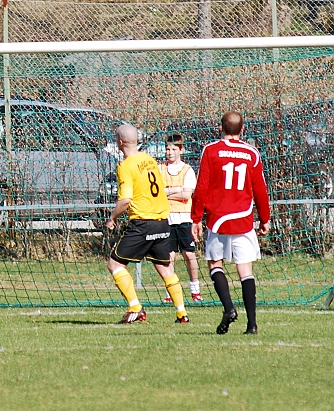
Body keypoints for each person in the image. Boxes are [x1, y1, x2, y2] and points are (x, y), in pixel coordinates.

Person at [191, 111, 270, 335]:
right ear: (242, 130)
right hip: (243, 218)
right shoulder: (251, 153)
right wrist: (265, 219)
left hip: (217, 219)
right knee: (245, 269)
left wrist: (196, 218)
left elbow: (202, 187)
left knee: (215, 264)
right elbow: (260, 190)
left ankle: (228, 309)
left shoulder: (211, 150)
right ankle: (252, 324)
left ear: (220, 128)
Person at [104, 124, 189, 324]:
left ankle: (135, 308)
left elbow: (125, 201)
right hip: (162, 223)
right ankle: (181, 313)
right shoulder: (149, 160)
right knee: (165, 267)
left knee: (114, 264)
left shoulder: (125, 166)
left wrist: (112, 218)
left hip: (143, 223)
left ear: (120, 142)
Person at [159, 133, 203, 303]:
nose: (170, 152)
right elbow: (157, 192)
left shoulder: (187, 170)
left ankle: (195, 289)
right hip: (166, 218)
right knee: (168, 257)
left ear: (181, 150)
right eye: (167, 149)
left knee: (189, 255)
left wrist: (168, 191)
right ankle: (170, 291)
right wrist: (174, 191)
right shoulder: (160, 168)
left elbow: (186, 194)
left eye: (173, 149)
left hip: (184, 219)